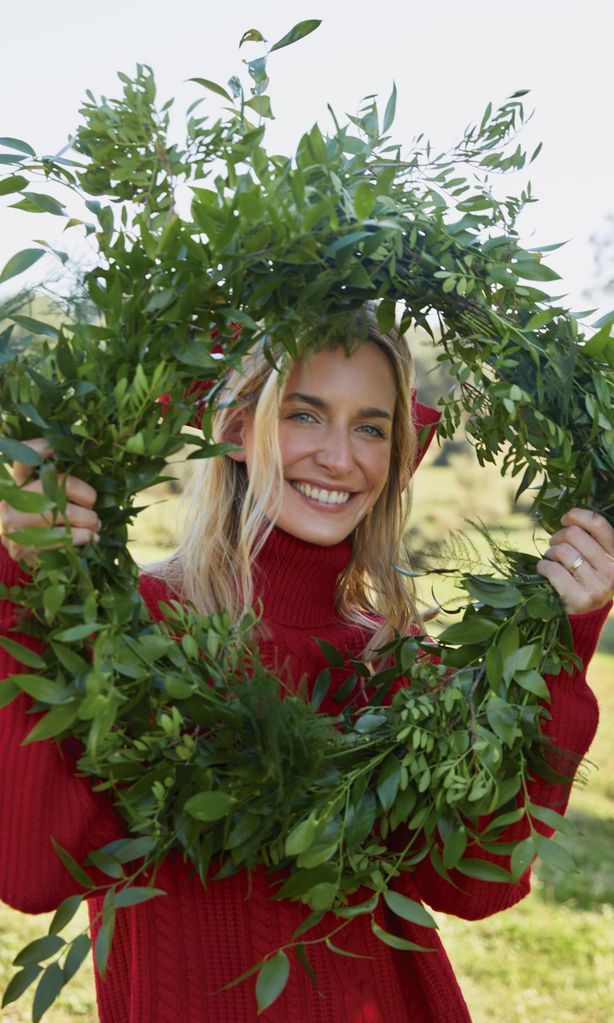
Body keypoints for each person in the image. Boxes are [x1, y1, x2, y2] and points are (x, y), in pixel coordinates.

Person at [1, 309, 613, 1023]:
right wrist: (26, 588)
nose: (339, 456)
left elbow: (474, 886)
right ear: (235, 429)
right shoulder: (137, 627)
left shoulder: (393, 652)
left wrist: (561, 638)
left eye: (372, 427)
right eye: (304, 414)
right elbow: (31, 869)